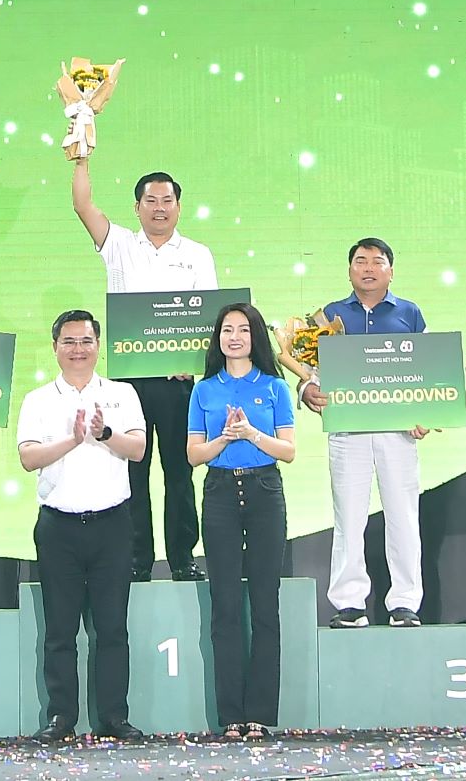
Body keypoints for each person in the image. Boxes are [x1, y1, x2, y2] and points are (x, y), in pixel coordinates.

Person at [71, 153, 216, 582]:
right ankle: (136, 559)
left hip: (177, 382)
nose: (159, 208)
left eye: (167, 200)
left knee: (179, 471)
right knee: (130, 470)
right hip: (128, 382)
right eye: (150, 200)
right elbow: (83, 205)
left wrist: (191, 360)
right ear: (137, 207)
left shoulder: (197, 254)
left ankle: (183, 558)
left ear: (178, 207)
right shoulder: (118, 244)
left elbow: (207, 316)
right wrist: (81, 157)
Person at [15, 309, 148, 742]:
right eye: (69, 342)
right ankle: (61, 717)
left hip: (112, 525)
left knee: (112, 628)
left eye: (86, 341)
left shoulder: (121, 393)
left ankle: (114, 716)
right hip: (59, 526)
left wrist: (104, 433)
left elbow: (138, 449)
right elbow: (28, 458)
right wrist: (72, 440)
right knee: (60, 630)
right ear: (55, 348)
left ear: (98, 346)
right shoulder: (38, 400)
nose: (78, 349)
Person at [297, 238, 427, 628]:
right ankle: (350, 603)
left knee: (403, 516)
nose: (368, 268)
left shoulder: (410, 313)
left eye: (377, 261)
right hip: (347, 431)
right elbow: (311, 371)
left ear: (391, 270)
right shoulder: (330, 315)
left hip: (397, 432)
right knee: (349, 517)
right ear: (349, 269)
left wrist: (425, 412)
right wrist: (306, 389)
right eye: (360, 261)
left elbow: (426, 369)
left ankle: (405, 603)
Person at [187, 302, 296, 739]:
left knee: (265, 603)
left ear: (256, 337)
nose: (234, 337)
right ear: (218, 338)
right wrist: (224, 438)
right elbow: (194, 454)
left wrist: (251, 433)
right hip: (219, 494)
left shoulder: (274, 387)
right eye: (227, 330)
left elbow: (288, 450)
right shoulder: (204, 390)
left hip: (265, 491)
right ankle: (231, 714)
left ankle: (260, 714)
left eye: (243, 330)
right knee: (226, 604)